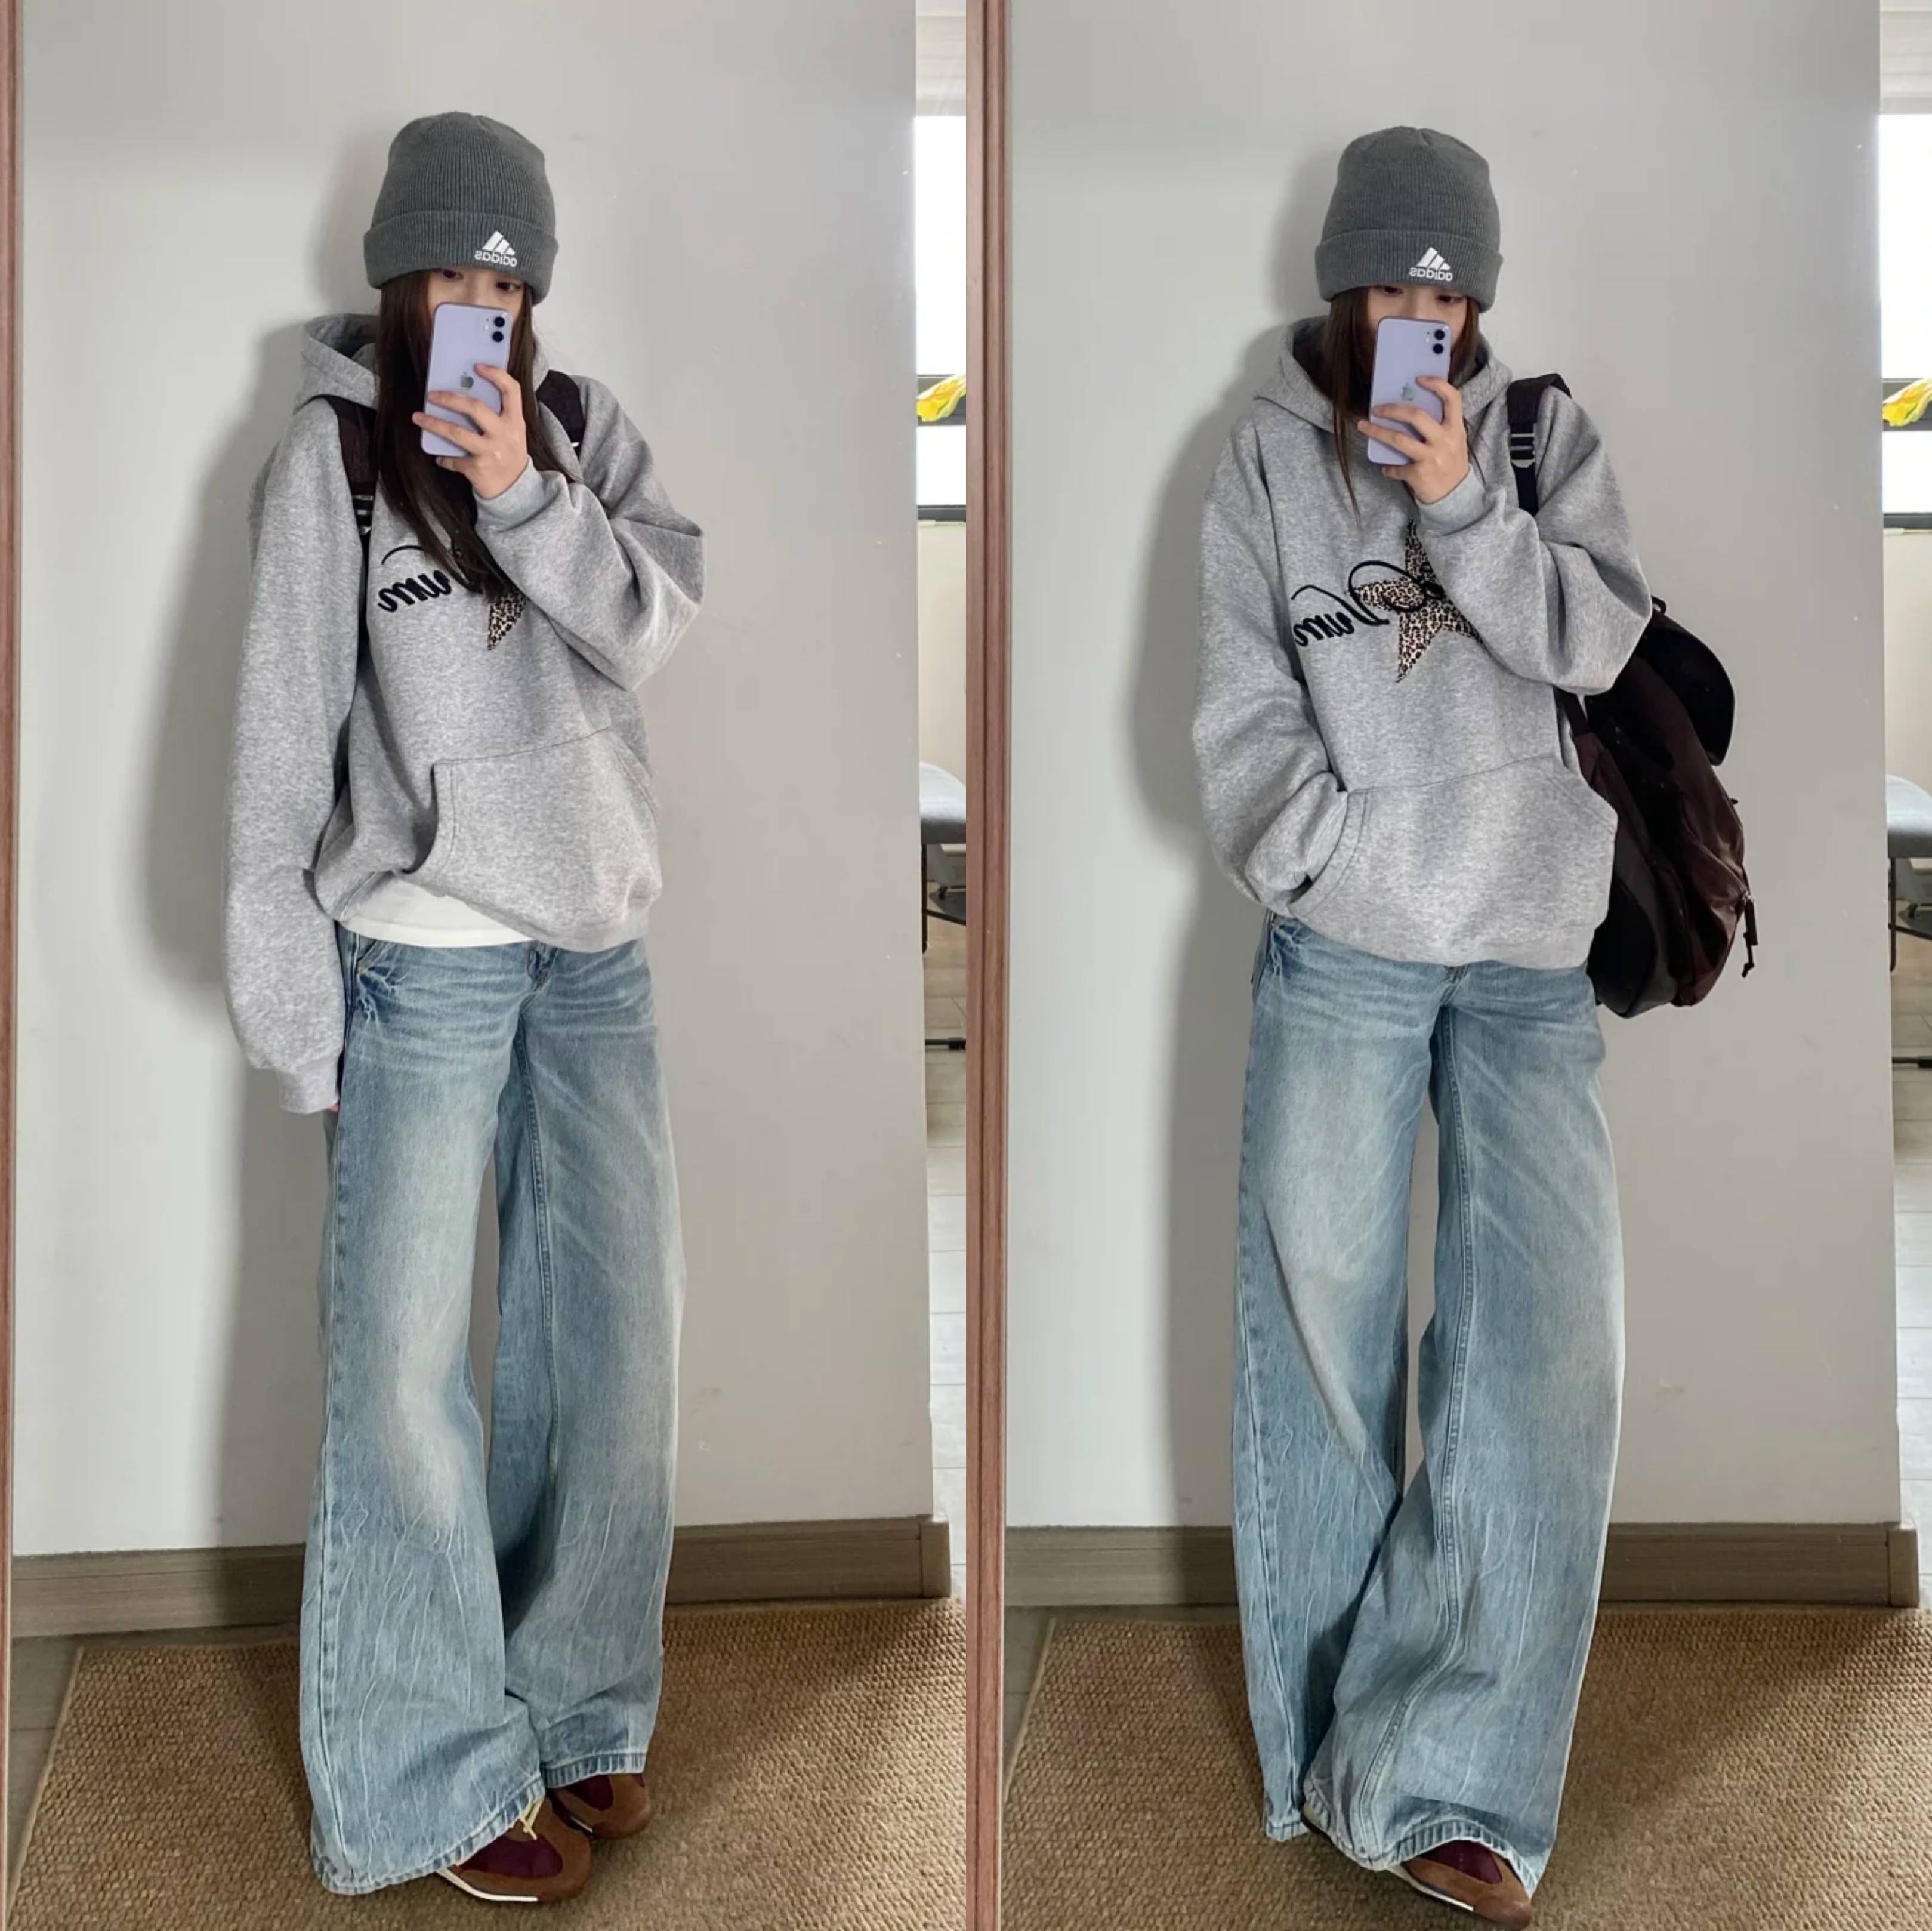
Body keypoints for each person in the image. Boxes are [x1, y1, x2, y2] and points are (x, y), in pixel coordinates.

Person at [221, 111, 705, 1905]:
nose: (471, 301)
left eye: (500, 276)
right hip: (417, 955)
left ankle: (576, 1699)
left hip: (595, 950)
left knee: (615, 1341)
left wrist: (521, 493)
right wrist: (297, 1022)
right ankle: (424, 1772)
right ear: (394, 278)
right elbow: (278, 753)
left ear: (534, 292)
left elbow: (650, 628)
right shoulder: (330, 459)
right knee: (404, 1374)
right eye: (443, 270)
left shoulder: (580, 432)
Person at [1192, 127, 1650, 1929]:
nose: (1420, 320)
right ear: (1341, 291)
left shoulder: (1539, 438)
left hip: (1529, 954)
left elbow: (1600, 646)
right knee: (1319, 1350)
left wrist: (1464, 502)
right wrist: (1336, 863)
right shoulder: (1262, 462)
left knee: (1543, 1358)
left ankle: (1447, 1769)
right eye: (1391, 286)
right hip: (1348, 948)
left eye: (1448, 294)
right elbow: (1242, 716)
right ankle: (1326, 1751)